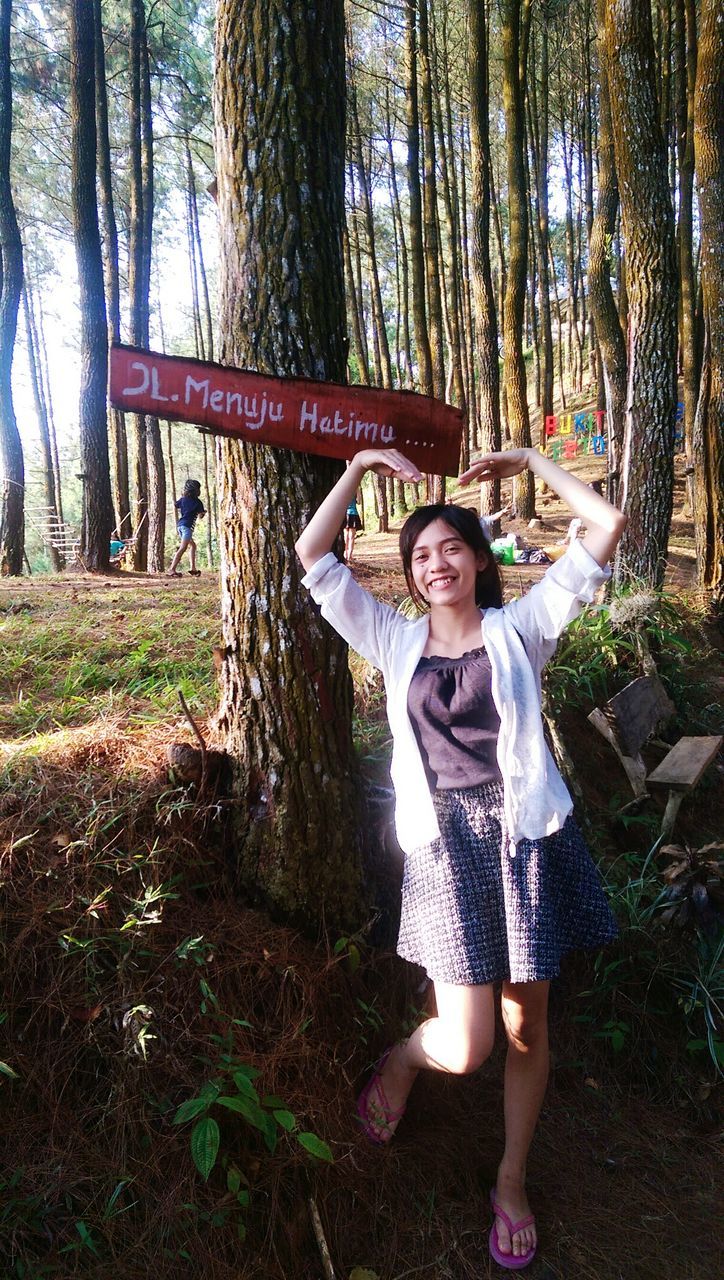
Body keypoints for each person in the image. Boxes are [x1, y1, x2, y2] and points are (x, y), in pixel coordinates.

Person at [295, 445, 626, 1270]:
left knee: (526, 1026)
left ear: (479, 559)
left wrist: (532, 460)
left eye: (451, 547)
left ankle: (510, 1180)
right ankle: (406, 1058)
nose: (435, 563)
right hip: (446, 852)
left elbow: (607, 524)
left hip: (525, 843)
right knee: (466, 1043)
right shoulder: (393, 640)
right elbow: (313, 557)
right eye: (419, 555)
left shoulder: (525, 629)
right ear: (409, 575)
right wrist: (362, 468)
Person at [167, 479, 205, 577]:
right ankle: (172, 569)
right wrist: (203, 513)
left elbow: (176, 505)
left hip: (180, 526)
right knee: (183, 548)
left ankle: (193, 569)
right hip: (187, 528)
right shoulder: (198, 502)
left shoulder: (183, 499)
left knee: (193, 545)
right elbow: (200, 516)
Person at [344, 496, 363, 563]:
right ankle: (349, 555)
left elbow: (359, 502)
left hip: (346, 514)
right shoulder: (354, 490)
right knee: (351, 537)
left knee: (347, 536)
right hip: (352, 514)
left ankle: (347, 555)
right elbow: (359, 501)